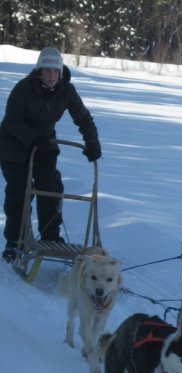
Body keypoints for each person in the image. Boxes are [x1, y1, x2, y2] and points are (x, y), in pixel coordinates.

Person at [0, 47, 102, 261]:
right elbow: (11, 121)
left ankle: (50, 236)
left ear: (61, 72)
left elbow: (83, 118)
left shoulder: (67, 90)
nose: (52, 76)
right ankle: (14, 240)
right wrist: (31, 138)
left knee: (51, 186)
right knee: (20, 190)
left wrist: (92, 144)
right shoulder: (23, 89)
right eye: (47, 71)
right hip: (14, 146)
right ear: (39, 71)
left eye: (55, 71)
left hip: (44, 144)